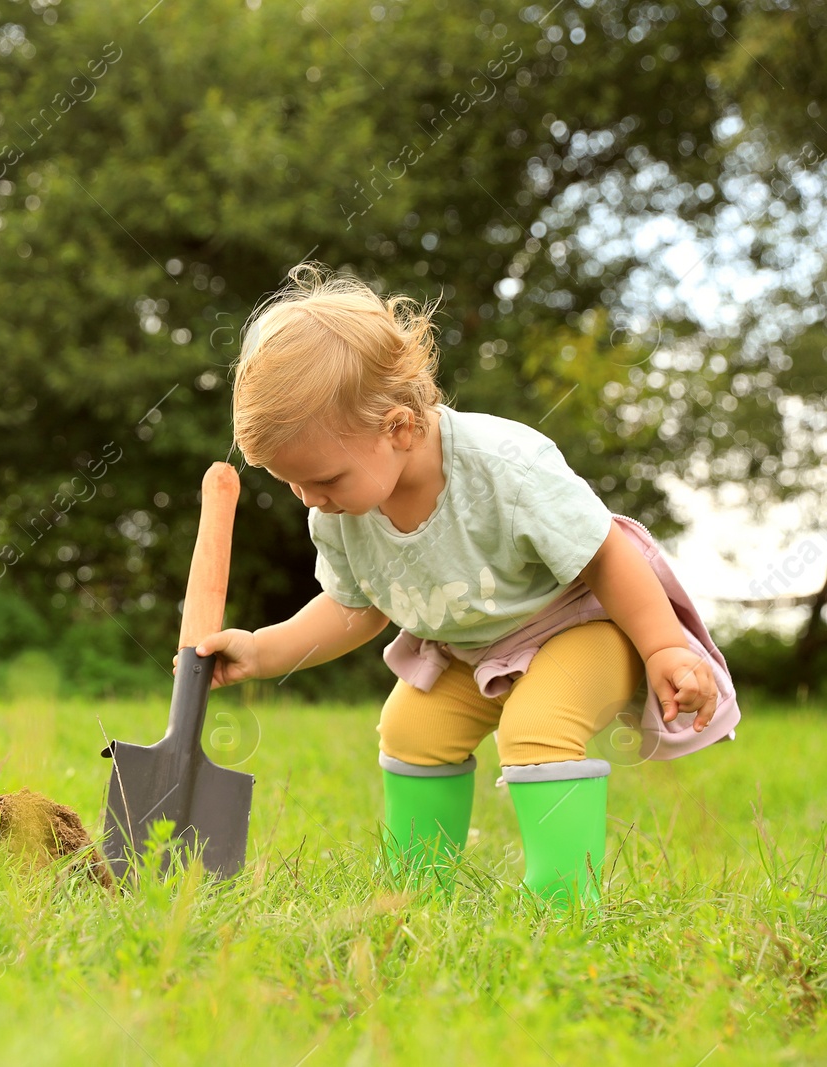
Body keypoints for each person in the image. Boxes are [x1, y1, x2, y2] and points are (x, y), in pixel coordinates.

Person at [181, 264, 738, 908]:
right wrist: (264, 650)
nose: (311, 498)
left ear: (399, 428)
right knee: (411, 726)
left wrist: (665, 646)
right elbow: (353, 607)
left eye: (325, 479)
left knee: (537, 724)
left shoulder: (506, 467)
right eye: (291, 483)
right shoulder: (340, 512)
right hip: (472, 651)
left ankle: (562, 902)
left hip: (585, 626)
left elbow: (607, 555)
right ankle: (418, 890)